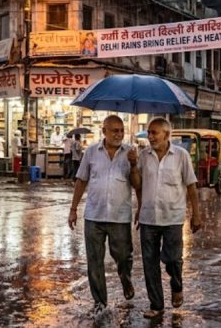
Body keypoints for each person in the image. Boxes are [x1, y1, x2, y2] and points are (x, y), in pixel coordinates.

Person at [68, 115, 141, 312]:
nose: (118, 134)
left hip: (119, 216)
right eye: (114, 130)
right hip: (94, 216)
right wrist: (73, 209)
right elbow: (81, 180)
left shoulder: (131, 153)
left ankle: (125, 279)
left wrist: (134, 165)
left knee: (124, 256)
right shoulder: (91, 152)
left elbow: (138, 185)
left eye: (121, 130)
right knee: (94, 261)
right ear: (104, 131)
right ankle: (100, 302)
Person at [137, 117, 202, 318]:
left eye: (154, 132)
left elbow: (191, 185)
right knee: (150, 263)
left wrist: (196, 215)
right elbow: (137, 184)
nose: (150, 136)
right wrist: (132, 166)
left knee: (173, 259)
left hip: (173, 217)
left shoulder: (181, 156)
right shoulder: (143, 156)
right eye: (149, 132)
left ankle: (176, 284)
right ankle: (156, 305)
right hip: (148, 217)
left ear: (167, 135)